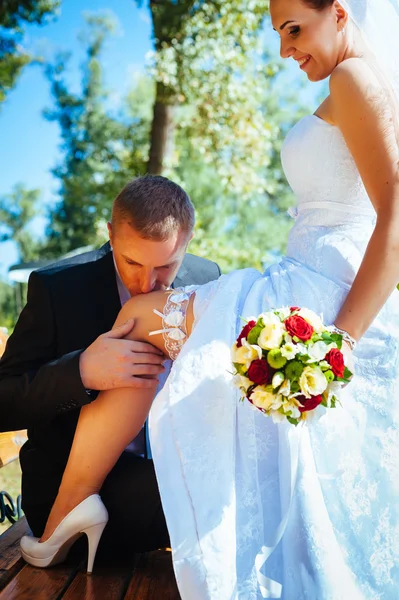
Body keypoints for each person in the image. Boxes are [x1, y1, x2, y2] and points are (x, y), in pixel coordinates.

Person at [19, 0, 399, 597]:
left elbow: (395, 216)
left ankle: (63, 518)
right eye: (278, 33)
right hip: (309, 279)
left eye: (295, 28)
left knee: (141, 317)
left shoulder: (352, 76)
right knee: (154, 327)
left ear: (342, 13)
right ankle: (69, 513)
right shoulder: (360, 79)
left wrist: (335, 346)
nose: (285, 49)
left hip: (320, 294)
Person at [0, 175, 220, 558]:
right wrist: (80, 372)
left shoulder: (208, 280)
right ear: (111, 234)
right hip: (67, 490)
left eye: (166, 266)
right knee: (200, 500)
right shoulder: (57, 288)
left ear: (188, 241)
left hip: (176, 463)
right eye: (131, 261)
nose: (145, 283)